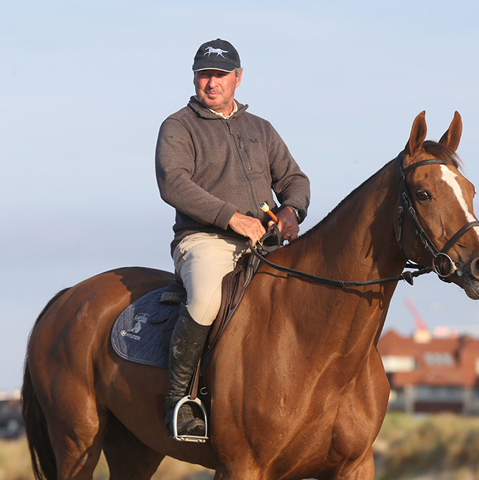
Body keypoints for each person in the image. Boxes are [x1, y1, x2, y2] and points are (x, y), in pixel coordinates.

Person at [155, 38, 311, 438]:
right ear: (194, 77)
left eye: (220, 75)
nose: (212, 83)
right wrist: (231, 218)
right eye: (205, 74)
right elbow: (174, 184)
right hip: (204, 240)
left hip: (265, 243)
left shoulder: (261, 128)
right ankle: (180, 400)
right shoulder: (178, 126)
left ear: (237, 79)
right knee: (207, 301)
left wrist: (291, 211)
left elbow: (294, 179)